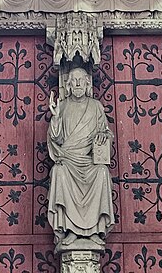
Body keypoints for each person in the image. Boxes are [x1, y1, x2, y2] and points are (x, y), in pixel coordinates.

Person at [46, 68, 114, 250]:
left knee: (102, 172)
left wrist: (103, 136)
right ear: (68, 84)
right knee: (58, 171)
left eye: (81, 80)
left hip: (88, 162)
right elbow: (56, 139)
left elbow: (106, 132)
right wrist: (55, 118)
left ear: (87, 83)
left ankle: (94, 231)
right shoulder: (63, 106)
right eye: (74, 80)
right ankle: (70, 231)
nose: (77, 84)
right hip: (68, 161)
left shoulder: (95, 106)